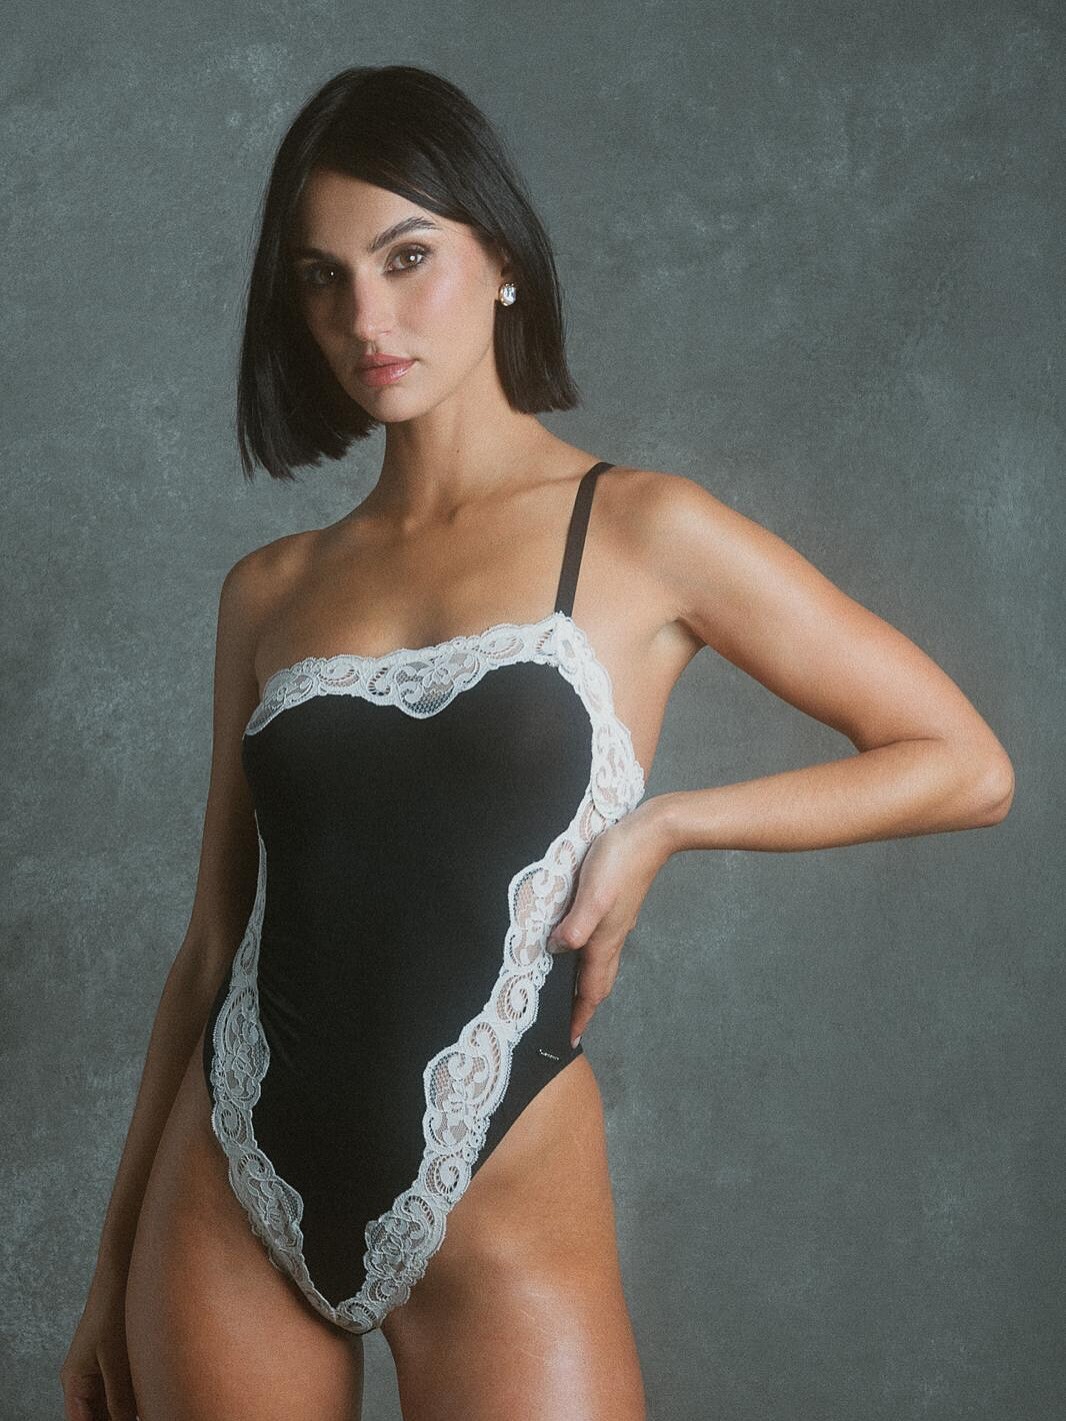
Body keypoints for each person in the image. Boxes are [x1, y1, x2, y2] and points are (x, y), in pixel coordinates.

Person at [59, 63, 1015, 1421]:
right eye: (324, 278)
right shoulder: (269, 591)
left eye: (407, 258)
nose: (367, 318)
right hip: (227, 1190)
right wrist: (109, 1270)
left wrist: (669, 825)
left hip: (501, 1189)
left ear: (500, 256)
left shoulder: (643, 531)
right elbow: (212, 944)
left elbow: (964, 764)